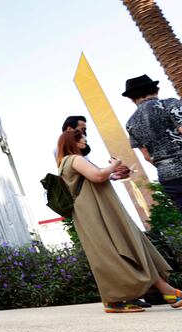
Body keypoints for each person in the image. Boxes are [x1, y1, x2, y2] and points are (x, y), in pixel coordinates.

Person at [56, 128, 182, 312]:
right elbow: (97, 175)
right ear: (73, 142)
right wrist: (115, 165)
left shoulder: (66, 163)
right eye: (82, 138)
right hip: (97, 213)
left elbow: (96, 178)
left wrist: (114, 174)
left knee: (124, 248)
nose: (84, 141)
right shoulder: (74, 159)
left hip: (94, 213)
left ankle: (166, 293)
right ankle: (118, 300)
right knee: (119, 250)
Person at [124, 74, 182, 216]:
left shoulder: (131, 124)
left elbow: (147, 157)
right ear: (156, 90)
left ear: (132, 98)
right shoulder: (170, 104)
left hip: (169, 178)